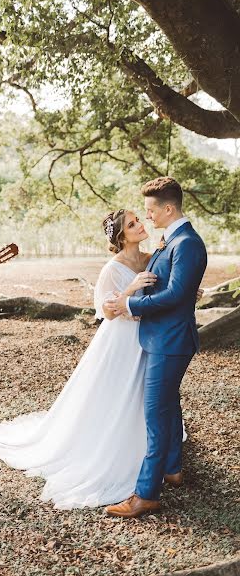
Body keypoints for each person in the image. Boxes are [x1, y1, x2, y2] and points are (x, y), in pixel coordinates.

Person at [0, 185, 203, 510]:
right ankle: (148, 465)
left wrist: (185, 294)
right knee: (138, 401)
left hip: (156, 336)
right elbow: (109, 310)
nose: (143, 222)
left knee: (158, 403)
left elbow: (174, 287)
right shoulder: (113, 268)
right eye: (132, 223)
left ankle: (164, 472)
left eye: (142, 216)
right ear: (122, 237)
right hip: (127, 338)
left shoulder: (159, 251)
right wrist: (130, 294)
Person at [104, 177, 207, 517]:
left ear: (167, 208)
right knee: (168, 404)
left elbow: (176, 296)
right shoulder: (171, 240)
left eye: (150, 211)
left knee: (155, 414)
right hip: (162, 337)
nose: (147, 217)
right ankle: (173, 468)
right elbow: (176, 287)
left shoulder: (187, 243)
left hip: (170, 340)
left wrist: (130, 307)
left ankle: (146, 493)